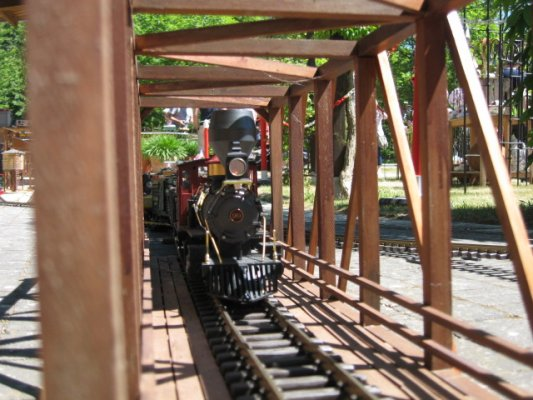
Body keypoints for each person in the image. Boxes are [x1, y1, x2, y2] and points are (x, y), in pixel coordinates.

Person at [376, 102, 388, 168]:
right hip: (376, 134)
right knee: (376, 151)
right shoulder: (376, 112)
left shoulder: (378, 112)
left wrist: (380, 109)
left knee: (378, 150)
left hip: (378, 134)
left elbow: (386, 116)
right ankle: (377, 167)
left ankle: (378, 167)